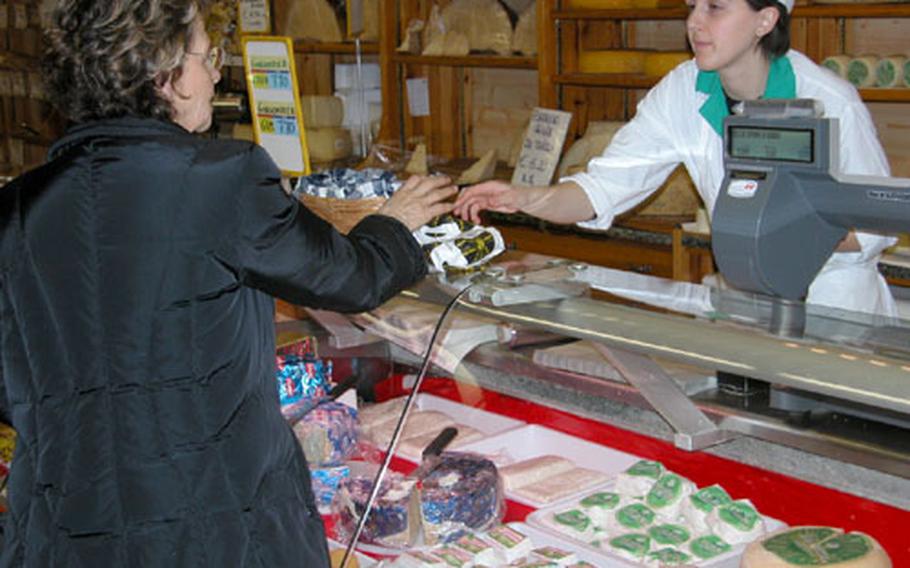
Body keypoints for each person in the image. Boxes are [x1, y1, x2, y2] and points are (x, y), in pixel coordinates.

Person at [0, 1, 455, 566]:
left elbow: (12, 386)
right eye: (207, 55)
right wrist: (396, 221)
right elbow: (349, 278)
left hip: (63, 529)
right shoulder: (222, 177)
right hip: (214, 525)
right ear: (162, 69)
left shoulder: (15, 209)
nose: (217, 73)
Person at [455, 0, 898, 317]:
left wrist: (773, 234)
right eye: (692, 6)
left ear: (765, 19)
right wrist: (525, 197)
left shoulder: (828, 100)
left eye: (714, 8)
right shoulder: (683, 91)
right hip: (748, 304)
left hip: (834, 310)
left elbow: (874, 227)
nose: (694, 22)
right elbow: (604, 187)